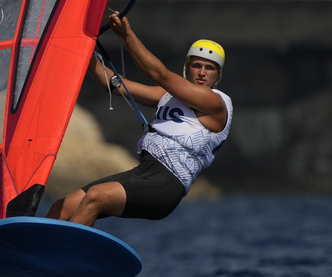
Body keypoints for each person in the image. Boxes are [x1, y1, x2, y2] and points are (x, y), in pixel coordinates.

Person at [45, 12, 233, 227]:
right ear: (187, 68)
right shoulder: (167, 96)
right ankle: (30, 252)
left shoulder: (217, 103)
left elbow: (159, 74)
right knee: (64, 206)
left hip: (168, 183)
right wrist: (81, 46)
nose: (201, 72)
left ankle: (65, 255)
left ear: (218, 75)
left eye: (209, 68)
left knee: (96, 197)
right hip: (143, 171)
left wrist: (127, 35)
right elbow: (114, 86)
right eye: (196, 65)